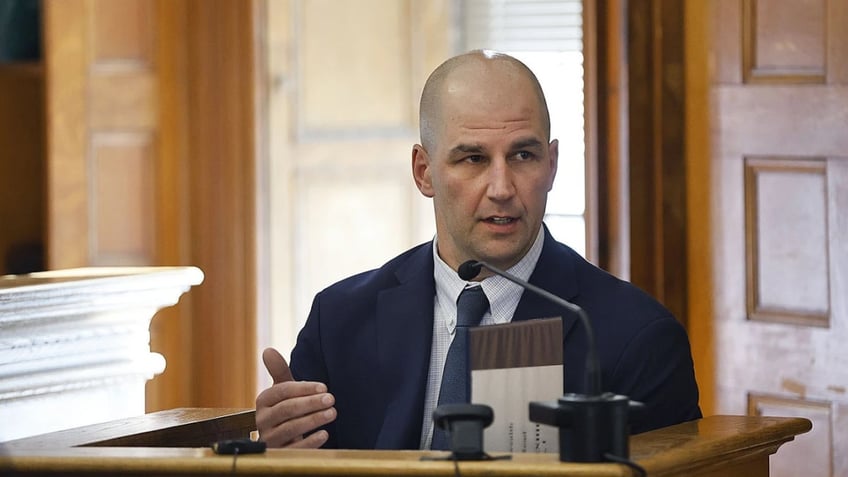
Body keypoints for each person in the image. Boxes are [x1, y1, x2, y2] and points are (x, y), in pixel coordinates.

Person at [255, 50, 701, 450]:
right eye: (473, 159)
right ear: (424, 171)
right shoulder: (339, 322)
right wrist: (278, 459)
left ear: (552, 165)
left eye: (523, 155)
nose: (502, 188)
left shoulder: (637, 337)